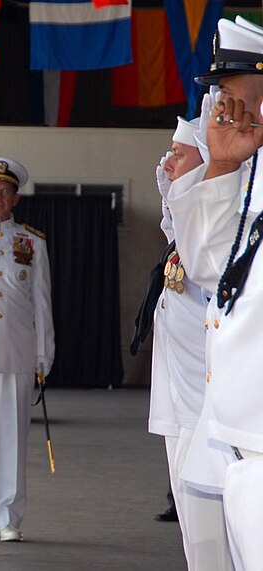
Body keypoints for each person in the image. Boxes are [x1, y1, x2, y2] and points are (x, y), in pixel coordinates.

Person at [166, 16, 263, 569]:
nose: (217, 107)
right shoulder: (245, 172)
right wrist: (222, 164)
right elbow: (207, 266)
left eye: (228, 93)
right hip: (235, 435)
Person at [144, 117, 233, 570]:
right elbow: (175, 222)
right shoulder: (186, 231)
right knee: (196, 536)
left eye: (178, 152)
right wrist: (177, 187)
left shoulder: (217, 233)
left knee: (215, 534)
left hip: (210, 411)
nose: (167, 161)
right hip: (182, 405)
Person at [0, 157, 54, 543]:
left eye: (5, 191)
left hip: (18, 351)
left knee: (13, 438)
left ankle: (8, 518)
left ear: (16, 198)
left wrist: (43, 354)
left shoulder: (31, 242)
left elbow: (42, 302)